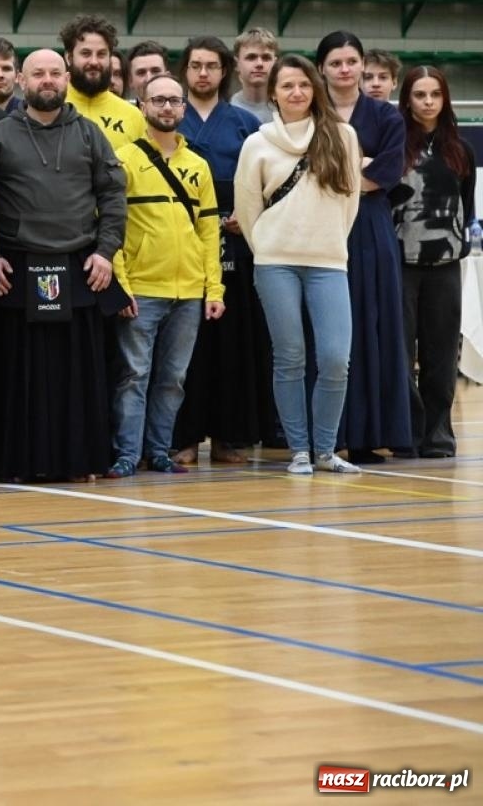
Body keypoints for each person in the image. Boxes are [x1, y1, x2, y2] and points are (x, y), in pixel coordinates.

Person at [0, 49, 127, 483]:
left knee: (78, 376)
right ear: (21, 81)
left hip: (81, 265)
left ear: (67, 78)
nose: (47, 80)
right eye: (37, 74)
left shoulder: (90, 134)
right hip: (16, 268)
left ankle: (80, 460)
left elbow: (114, 196)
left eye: (54, 74)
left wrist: (105, 251)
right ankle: (17, 463)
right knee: (18, 374)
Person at [234, 55, 363, 476]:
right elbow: (247, 207)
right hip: (275, 264)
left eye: (304, 85)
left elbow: (351, 202)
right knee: (289, 357)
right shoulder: (257, 143)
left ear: (315, 89)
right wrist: (267, 248)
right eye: (287, 85)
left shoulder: (342, 136)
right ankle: (300, 451)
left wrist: (328, 244)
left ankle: (326, 450)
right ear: (273, 92)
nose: (297, 92)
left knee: (334, 358)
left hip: (328, 262)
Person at [107, 74, 224, 478]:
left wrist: (215, 288)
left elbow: (210, 231)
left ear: (184, 109)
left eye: (175, 101)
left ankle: (159, 451)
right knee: (133, 376)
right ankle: (126, 453)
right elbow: (112, 228)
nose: (167, 108)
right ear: (142, 107)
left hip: (189, 291)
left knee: (173, 379)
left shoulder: (199, 166)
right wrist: (120, 283)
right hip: (141, 287)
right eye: (158, 100)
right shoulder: (123, 160)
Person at [168, 37, 269, 467]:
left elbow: (265, 181)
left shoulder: (245, 122)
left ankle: (230, 438)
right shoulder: (168, 117)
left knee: (232, 345)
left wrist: (246, 216)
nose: (203, 73)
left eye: (211, 65)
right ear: (184, 71)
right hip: (182, 247)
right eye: (195, 66)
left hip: (237, 245)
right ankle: (184, 438)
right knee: (186, 348)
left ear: (225, 71)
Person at [317, 30, 412, 464]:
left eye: (351, 61)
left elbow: (388, 171)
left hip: (369, 230)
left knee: (372, 325)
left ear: (361, 65)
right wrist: (358, 168)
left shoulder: (386, 117)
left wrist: (342, 175)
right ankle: (325, 434)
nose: (344, 69)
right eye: (335, 62)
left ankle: (370, 432)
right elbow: (304, 171)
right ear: (322, 67)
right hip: (318, 226)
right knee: (328, 333)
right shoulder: (311, 113)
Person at [390, 67, 473, 459]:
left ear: (445, 99)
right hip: (400, 265)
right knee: (402, 354)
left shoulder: (460, 150)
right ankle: (408, 432)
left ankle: (437, 436)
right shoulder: (395, 146)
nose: (427, 102)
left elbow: (466, 205)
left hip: (445, 267)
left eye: (434, 94)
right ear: (407, 99)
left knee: (441, 355)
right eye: (419, 94)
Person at [61, 14, 145, 143]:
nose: (94, 62)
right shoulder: (50, 108)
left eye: (101, 54)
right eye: (86, 53)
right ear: (69, 57)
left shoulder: (133, 116)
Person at [231, 27, 278, 123]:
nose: (259, 64)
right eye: (251, 57)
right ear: (236, 64)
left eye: (266, 58)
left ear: (275, 63)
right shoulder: (226, 110)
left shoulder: (288, 111)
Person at [124, 40, 169, 104]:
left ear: (168, 77)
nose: (149, 79)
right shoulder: (119, 113)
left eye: (155, 71)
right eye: (141, 73)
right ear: (130, 81)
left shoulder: (184, 113)